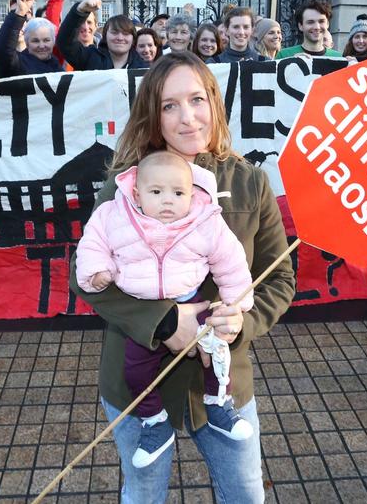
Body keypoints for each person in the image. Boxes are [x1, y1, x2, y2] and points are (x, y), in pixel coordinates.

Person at [69, 51, 295, 502]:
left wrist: (242, 323)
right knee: (144, 494)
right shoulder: (127, 185)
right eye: (169, 105)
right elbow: (86, 274)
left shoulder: (251, 182)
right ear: (153, 116)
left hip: (224, 383)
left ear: (214, 101)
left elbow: (279, 278)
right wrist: (165, 323)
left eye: (196, 99)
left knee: (246, 494)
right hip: (137, 384)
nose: (187, 117)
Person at [75, 151, 255, 468]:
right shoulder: (114, 214)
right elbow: (93, 243)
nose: (168, 200)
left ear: (192, 194)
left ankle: (218, 403)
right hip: (142, 312)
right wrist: (97, 270)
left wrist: (236, 303)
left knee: (217, 351)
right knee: (135, 372)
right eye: (156, 192)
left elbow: (231, 261)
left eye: (178, 193)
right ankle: (154, 421)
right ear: (136, 194)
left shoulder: (205, 220)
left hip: (193, 302)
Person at [55, 0, 149, 70]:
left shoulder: (143, 68)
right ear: (105, 36)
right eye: (114, 32)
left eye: (126, 33)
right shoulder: (90, 58)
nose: (120, 37)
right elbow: (65, 43)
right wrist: (80, 11)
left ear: (133, 39)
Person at [277, 0, 342, 59]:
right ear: (300, 26)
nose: (317, 27)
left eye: (321, 21)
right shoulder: (284, 55)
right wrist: (291, 63)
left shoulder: (338, 58)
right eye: (310, 22)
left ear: (327, 24)